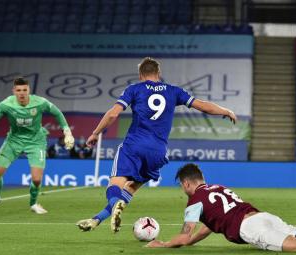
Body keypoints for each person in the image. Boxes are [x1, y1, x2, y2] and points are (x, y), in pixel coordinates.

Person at [76, 57, 237, 233]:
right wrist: (226, 110)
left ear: (140, 75)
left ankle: (114, 205)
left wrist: (95, 133)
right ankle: (97, 219)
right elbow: (203, 106)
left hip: (134, 145)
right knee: (130, 188)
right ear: (159, 74)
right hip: (158, 152)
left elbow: (113, 114)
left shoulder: (134, 89)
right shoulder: (174, 91)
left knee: (115, 184)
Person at [146, 163, 296, 252]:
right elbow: (210, 227)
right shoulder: (218, 187)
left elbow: (185, 235)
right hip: (263, 217)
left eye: (181, 186)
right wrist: (192, 242)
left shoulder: (194, 201)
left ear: (186, 183)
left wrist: (163, 244)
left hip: (251, 228)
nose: (182, 190)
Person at [0, 77, 74, 214]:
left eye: (24, 90)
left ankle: (33, 203)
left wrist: (67, 132)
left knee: (37, 179)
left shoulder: (39, 102)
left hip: (36, 141)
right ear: (14, 91)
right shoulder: (6, 105)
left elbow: (57, 113)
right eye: (18, 90)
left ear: (29, 90)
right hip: (13, 140)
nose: (22, 93)